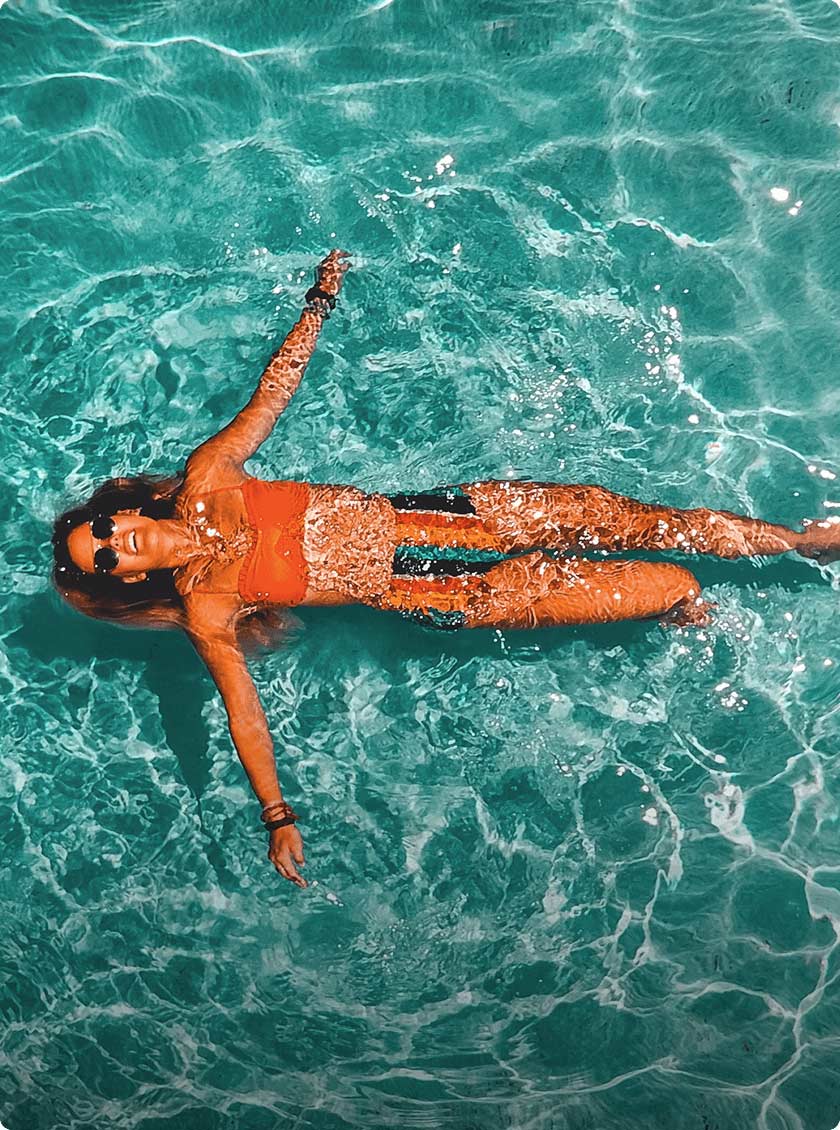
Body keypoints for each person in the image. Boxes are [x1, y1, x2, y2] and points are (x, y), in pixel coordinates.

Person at [52, 250, 840, 888]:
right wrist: (277, 815)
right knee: (677, 584)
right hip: (460, 592)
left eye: (107, 531)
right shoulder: (205, 605)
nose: (120, 544)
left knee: (632, 519)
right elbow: (241, 714)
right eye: (108, 559)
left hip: (462, 512)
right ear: (123, 579)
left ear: (123, 512)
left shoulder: (210, 477)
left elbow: (271, 397)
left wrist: (317, 304)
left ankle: (800, 543)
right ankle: (675, 610)